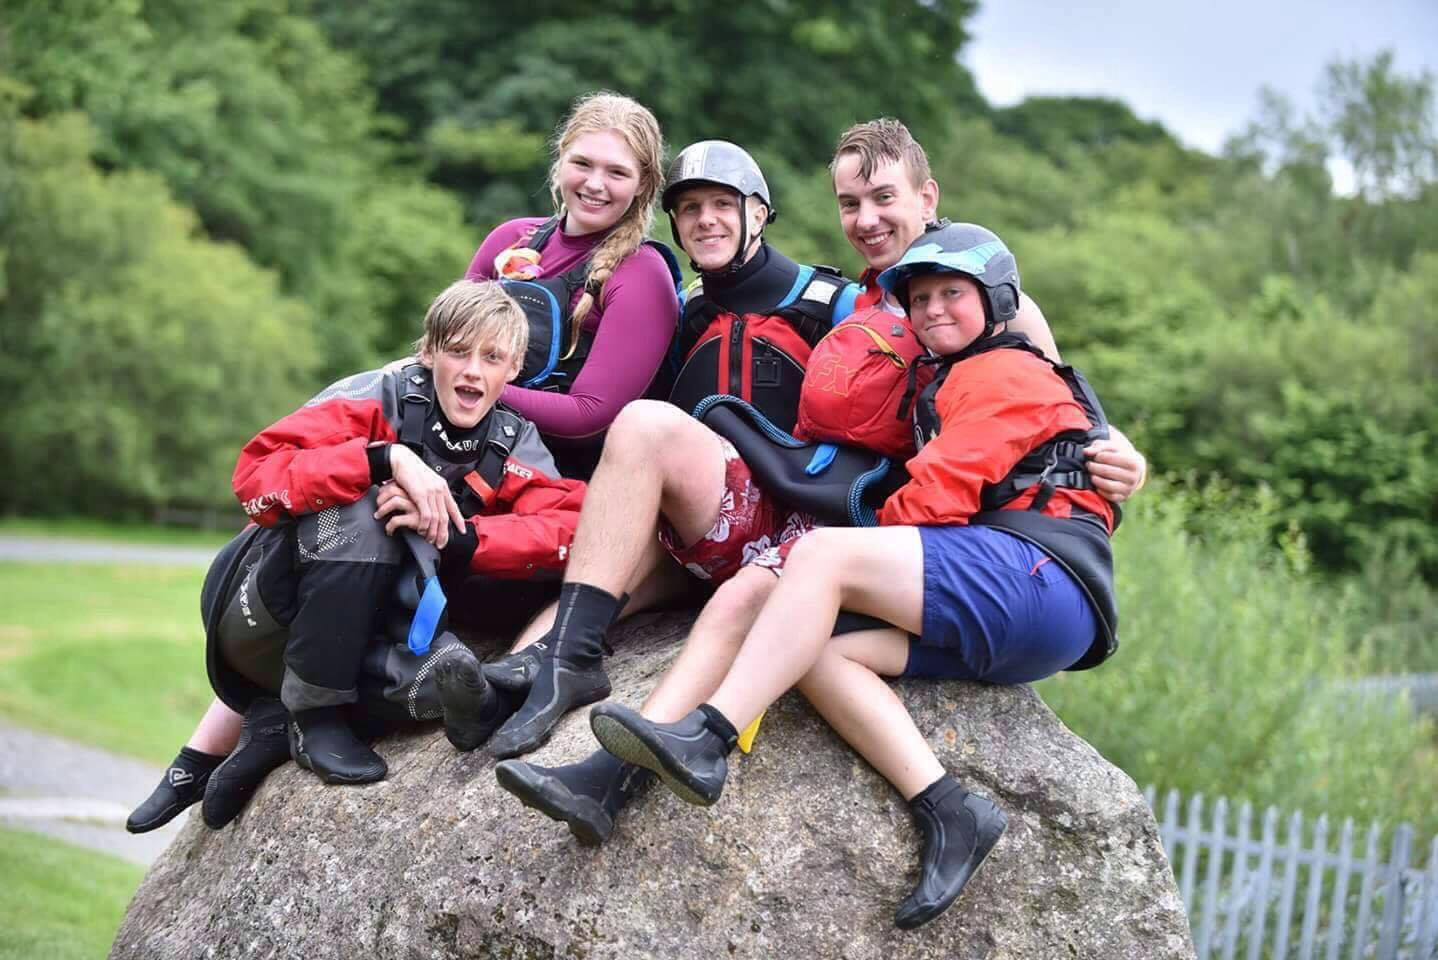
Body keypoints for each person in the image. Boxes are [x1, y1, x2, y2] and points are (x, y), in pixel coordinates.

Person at [487, 122, 1145, 844]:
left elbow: (1056, 404)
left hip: (929, 534)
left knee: (771, 582)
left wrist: (1120, 452)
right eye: (849, 202)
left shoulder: (983, 293)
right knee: (735, 582)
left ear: (928, 197)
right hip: (854, 514)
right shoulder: (865, 298)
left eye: (884, 198)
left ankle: (651, 756)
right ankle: (592, 742)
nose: (866, 219)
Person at [127, 90, 677, 834]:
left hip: (525, 471)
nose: (596, 182)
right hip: (446, 441)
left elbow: (593, 411)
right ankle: (212, 747)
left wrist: (484, 398)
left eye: (618, 171)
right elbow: (453, 338)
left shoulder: (639, 273)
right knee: (339, 509)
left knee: (391, 546)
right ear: (559, 163)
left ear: (643, 184)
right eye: (583, 161)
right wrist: (399, 438)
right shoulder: (514, 240)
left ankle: (276, 728)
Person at [586, 222, 1120, 931]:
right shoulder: (951, 373)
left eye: (951, 293)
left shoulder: (1004, 371)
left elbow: (937, 499)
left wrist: (831, 547)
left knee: (820, 558)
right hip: (1025, 618)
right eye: (920, 297)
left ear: (995, 300)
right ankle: (949, 810)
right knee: (821, 653)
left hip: (1037, 573)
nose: (931, 309)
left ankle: (709, 736)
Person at [126, 280, 584, 831]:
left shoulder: (513, 439)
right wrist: (382, 460)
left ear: (512, 371)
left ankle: (276, 724)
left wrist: (462, 538)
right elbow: (255, 476)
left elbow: (572, 526)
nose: (472, 372)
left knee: (447, 674)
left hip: (365, 635)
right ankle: (315, 716)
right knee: (364, 515)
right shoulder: (377, 395)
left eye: (491, 358)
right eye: (458, 351)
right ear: (429, 350)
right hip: (260, 608)